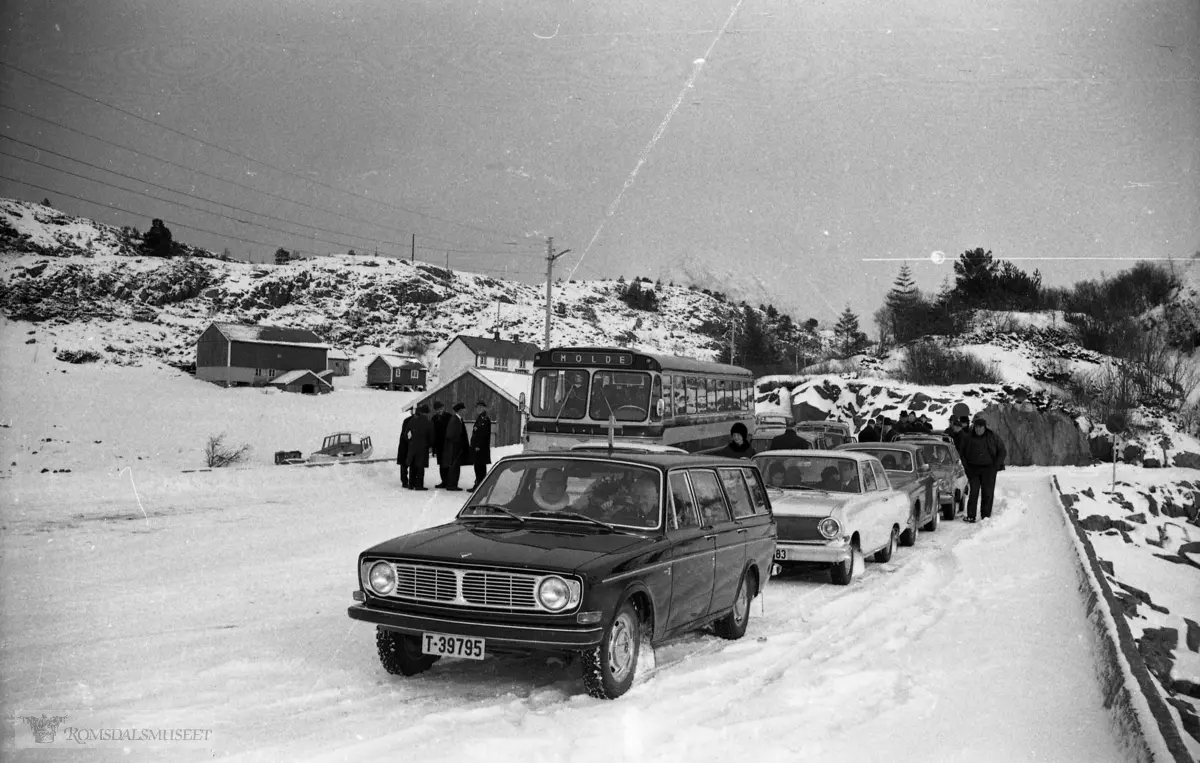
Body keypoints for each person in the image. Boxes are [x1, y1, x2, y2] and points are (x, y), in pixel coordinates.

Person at [958, 414, 1007, 522]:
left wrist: (996, 466)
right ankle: (971, 515)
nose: (978, 429)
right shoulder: (968, 438)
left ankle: (986, 516)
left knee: (987, 493)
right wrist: (967, 468)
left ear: (985, 427)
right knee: (974, 491)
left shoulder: (993, 437)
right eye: (976, 427)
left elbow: (1002, 451)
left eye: (980, 427)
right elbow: (962, 454)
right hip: (973, 469)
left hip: (989, 469)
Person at [441, 402, 472, 490]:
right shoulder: (454, 420)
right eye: (464, 409)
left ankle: (453, 484)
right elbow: (449, 435)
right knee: (454, 466)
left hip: (457, 448)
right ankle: (451, 485)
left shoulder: (458, 420)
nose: (465, 411)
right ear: (460, 411)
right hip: (454, 448)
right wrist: (458, 442)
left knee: (456, 466)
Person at [404, 404, 435, 490]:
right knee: (420, 466)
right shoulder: (429, 422)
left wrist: (410, 441)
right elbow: (431, 437)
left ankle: (411, 484)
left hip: (412, 447)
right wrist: (431, 446)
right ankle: (419, 485)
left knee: (412, 465)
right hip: (423, 448)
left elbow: (406, 435)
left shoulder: (412, 421)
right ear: (427, 413)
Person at [470, 400, 492, 490]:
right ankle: (478, 484)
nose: (478, 409)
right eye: (477, 407)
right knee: (478, 467)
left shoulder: (484, 419)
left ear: (484, 408)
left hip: (480, 449)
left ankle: (479, 486)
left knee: (480, 468)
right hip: (477, 447)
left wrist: (478, 446)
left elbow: (483, 434)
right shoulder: (479, 418)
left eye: (480, 407)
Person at [430, 401, 451, 488]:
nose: (439, 411)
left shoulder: (449, 417)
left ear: (443, 408)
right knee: (441, 464)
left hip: (447, 445)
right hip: (439, 446)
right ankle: (444, 481)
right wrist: (433, 447)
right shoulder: (434, 418)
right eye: (437, 409)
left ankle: (449, 481)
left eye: (440, 408)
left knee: (448, 464)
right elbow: (433, 433)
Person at [396, 409, 414, 488]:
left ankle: (405, 481)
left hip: (406, 444)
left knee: (404, 464)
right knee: (405, 464)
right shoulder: (409, 421)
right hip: (407, 444)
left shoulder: (407, 420)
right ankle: (406, 481)